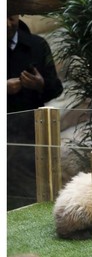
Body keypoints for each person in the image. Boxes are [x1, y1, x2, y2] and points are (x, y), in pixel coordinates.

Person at [7, 14, 64, 209]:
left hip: (28, 135)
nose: (7, 24)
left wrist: (41, 84)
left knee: (29, 194)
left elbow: (56, 88)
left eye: (11, 17)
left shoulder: (37, 45)